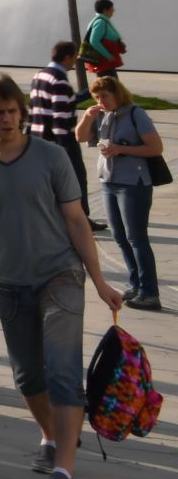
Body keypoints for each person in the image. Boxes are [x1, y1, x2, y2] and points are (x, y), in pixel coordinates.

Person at [0, 73, 123, 479]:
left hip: (61, 275)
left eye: (12, 111)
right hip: (10, 282)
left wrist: (100, 281)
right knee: (28, 375)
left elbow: (76, 220)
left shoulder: (50, 157)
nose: (7, 119)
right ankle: (50, 435)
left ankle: (64, 468)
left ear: (22, 113)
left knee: (64, 372)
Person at [76, 75, 162, 312]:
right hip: (109, 181)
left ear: (117, 94)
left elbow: (156, 147)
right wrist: (86, 117)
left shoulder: (136, 114)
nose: (100, 101)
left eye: (104, 96)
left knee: (136, 237)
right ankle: (136, 284)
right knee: (119, 236)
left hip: (133, 182)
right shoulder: (101, 115)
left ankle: (150, 292)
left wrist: (121, 149)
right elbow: (80, 137)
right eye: (96, 97)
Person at [30, 41, 93, 224]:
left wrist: (86, 94)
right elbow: (60, 116)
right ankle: (81, 218)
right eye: (74, 58)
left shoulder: (40, 75)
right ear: (67, 58)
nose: (74, 62)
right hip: (59, 140)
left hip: (38, 136)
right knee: (76, 178)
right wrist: (65, 148)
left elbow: (35, 107)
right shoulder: (60, 80)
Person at [82, 0, 126, 76]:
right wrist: (108, 56)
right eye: (112, 9)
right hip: (104, 63)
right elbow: (94, 41)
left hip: (106, 64)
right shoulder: (100, 22)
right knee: (109, 86)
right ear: (105, 10)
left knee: (111, 85)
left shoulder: (101, 21)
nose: (113, 11)